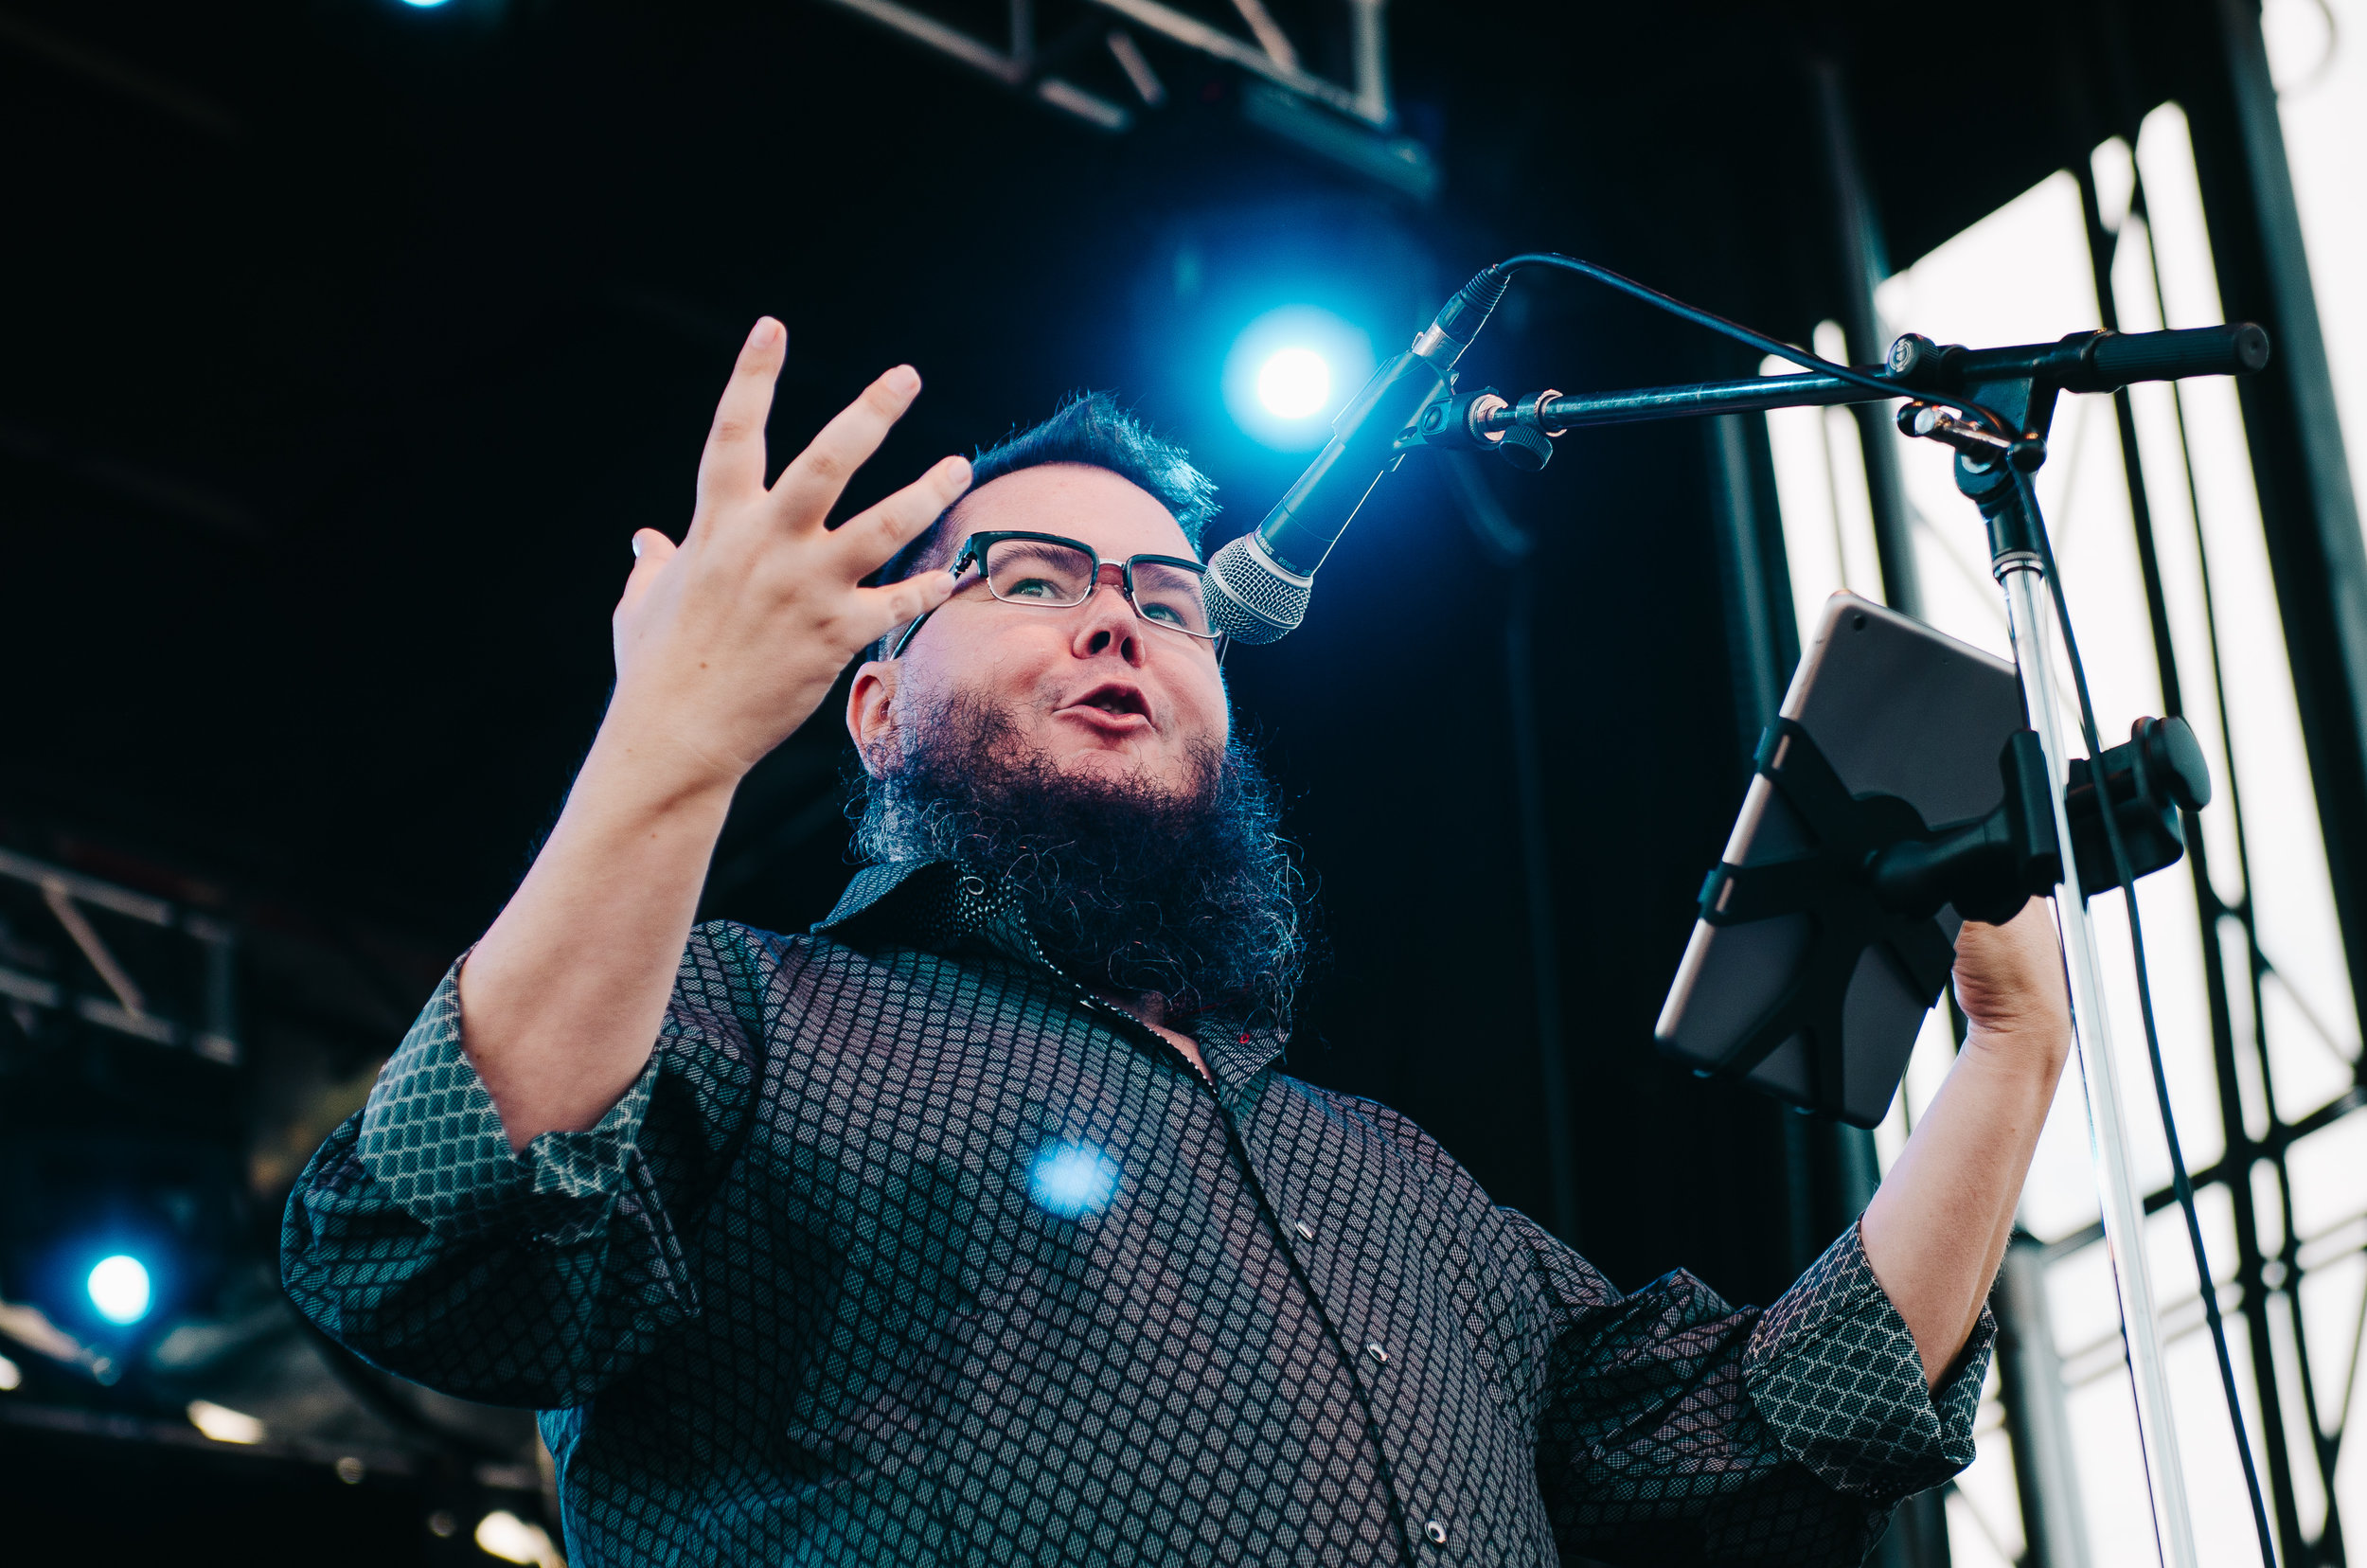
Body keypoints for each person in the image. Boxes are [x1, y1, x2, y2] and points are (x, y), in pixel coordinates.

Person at [282, 318, 2073, 1567]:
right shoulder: (752, 1019)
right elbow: (436, 1237)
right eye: (1034, 582)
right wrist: (662, 742)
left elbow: (1769, 1448)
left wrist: (2011, 1062)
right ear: (875, 709)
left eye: (1163, 601)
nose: (1119, 626)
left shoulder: (1400, 1191)